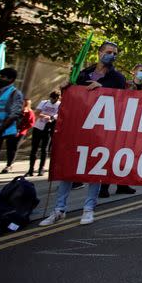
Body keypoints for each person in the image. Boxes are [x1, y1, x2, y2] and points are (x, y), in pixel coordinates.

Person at [40, 41, 126, 226]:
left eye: (115, 53)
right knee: (69, 168)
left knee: (94, 169)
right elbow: (71, 100)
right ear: (99, 52)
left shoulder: (117, 78)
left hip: (100, 130)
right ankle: (59, 209)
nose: (112, 55)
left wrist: (101, 90)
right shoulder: (82, 74)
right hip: (78, 127)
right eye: (109, 51)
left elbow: (122, 102)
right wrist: (66, 88)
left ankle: (88, 208)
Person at [27, 91, 60, 176]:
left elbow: (58, 115)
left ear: (57, 98)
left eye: (54, 99)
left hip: (48, 129)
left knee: (44, 149)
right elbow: (37, 113)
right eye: (51, 98)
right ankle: (31, 168)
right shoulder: (44, 102)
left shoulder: (59, 105)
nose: (52, 100)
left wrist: (52, 117)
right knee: (34, 148)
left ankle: (41, 168)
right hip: (38, 127)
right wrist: (46, 116)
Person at [1, 98, 34, 174]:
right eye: (23, 103)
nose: (23, 104)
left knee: (14, 147)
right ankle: (9, 163)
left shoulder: (29, 112)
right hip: (11, 131)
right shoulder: (16, 110)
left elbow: (31, 123)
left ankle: (9, 165)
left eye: (25, 104)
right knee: (9, 147)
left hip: (21, 133)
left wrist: (20, 130)